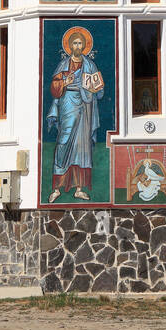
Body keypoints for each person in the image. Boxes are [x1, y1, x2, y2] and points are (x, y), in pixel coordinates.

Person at [46, 29, 103, 203]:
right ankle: (56, 188)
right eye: (75, 43)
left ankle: (79, 189)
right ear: (70, 46)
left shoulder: (90, 65)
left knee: (82, 146)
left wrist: (96, 88)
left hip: (85, 107)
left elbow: (99, 91)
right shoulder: (63, 65)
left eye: (80, 43)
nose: (77, 46)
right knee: (63, 142)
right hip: (67, 104)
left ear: (84, 46)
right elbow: (54, 88)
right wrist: (64, 82)